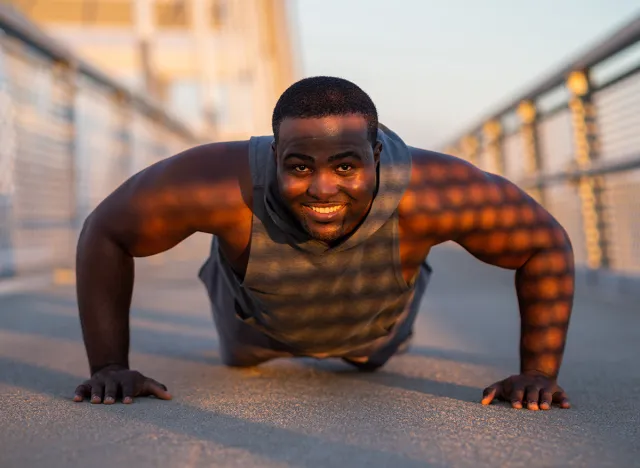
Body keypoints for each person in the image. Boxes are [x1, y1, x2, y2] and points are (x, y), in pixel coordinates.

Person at [72, 76, 573, 411]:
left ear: (376, 155)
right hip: (252, 333)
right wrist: (110, 367)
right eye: (299, 167)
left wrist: (538, 373)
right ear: (276, 153)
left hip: (375, 334)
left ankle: (360, 343)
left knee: (368, 351)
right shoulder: (221, 184)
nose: (322, 188)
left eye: (346, 167)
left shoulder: (435, 192)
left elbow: (544, 244)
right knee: (245, 350)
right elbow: (106, 230)